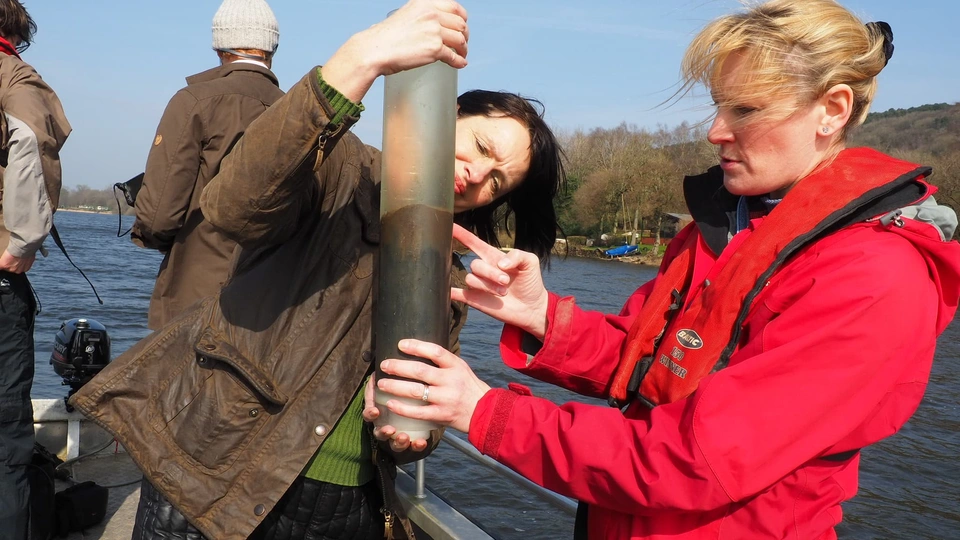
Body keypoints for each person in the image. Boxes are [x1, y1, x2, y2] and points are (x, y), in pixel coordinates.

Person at [370, 1, 960, 538]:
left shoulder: (874, 279)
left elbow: (692, 461)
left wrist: (483, 410)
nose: (715, 131)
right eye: (719, 105)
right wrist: (545, 317)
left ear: (832, 110)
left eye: (746, 109)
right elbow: (650, 361)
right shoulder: (728, 226)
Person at [71, 0, 565, 538]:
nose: (477, 176)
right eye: (480, 146)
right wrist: (361, 58)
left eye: (497, 182)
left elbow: (427, 395)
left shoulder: (447, 272)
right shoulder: (342, 166)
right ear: (445, 114)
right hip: (219, 476)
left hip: (344, 506)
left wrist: (414, 435)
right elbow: (234, 205)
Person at [131, 0, 284, 330]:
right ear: (272, 46)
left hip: (197, 293)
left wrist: (148, 235)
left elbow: (159, 215)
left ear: (220, 45)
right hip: (275, 298)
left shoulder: (194, 101)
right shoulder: (294, 111)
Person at [0, 1, 71, 537]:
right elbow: (33, 148)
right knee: (5, 439)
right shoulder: (18, 83)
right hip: (1, 279)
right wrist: (22, 243)